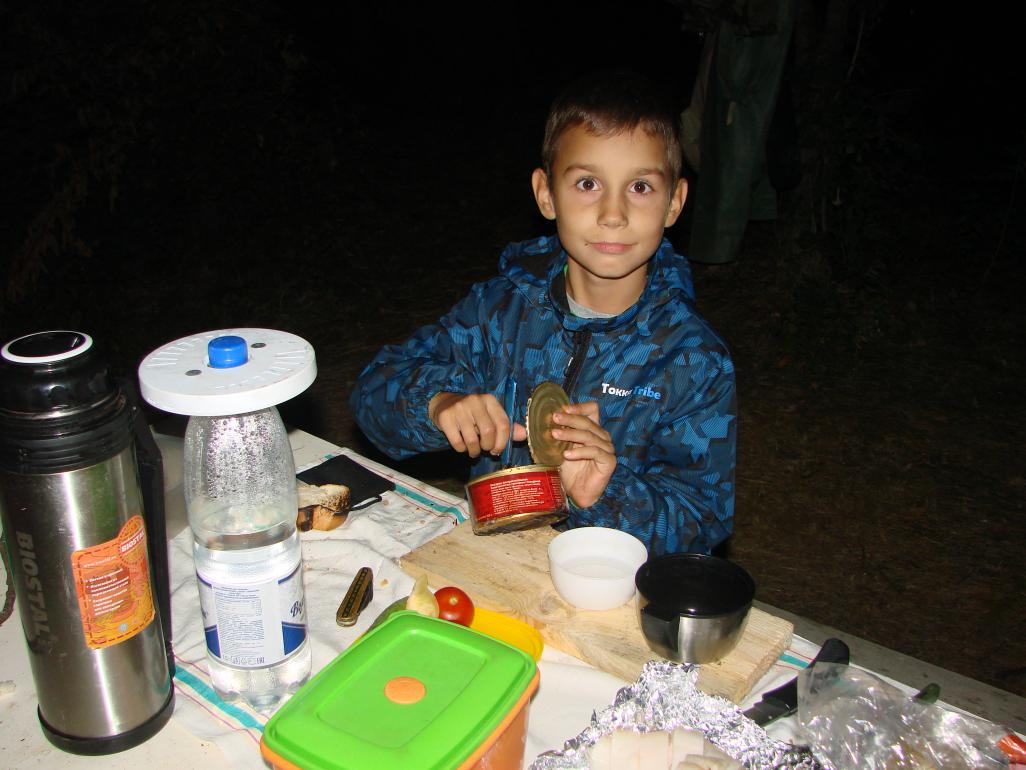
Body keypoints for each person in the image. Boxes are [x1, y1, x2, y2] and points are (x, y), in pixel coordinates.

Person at [349, 69, 736, 556]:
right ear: (546, 194)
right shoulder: (499, 311)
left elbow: (704, 521)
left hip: (608, 584)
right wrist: (438, 405)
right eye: (588, 183)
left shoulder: (693, 360)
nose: (613, 214)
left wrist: (606, 493)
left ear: (674, 202)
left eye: (640, 187)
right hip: (496, 560)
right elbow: (372, 392)